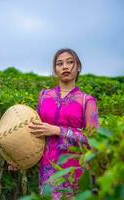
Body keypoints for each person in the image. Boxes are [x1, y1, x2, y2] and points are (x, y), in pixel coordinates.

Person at [9, 48, 99, 199]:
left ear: (78, 67)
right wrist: (17, 156)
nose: (65, 66)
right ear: (54, 70)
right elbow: (33, 131)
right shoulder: (43, 96)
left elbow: (94, 139)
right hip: (47, 172)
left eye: (70, 62)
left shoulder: (87, 101)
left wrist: (58, 130)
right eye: (60, 63)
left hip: (74, 173)